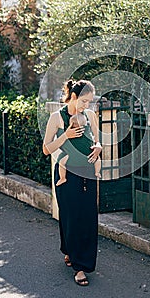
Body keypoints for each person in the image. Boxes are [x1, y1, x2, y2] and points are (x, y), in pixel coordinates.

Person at [42, 79, 102, 286]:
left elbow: (97, 139)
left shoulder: (91, 115)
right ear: (74, 97)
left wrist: (98, 147)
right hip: (66, 174)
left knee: (88, 217)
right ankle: (75, 261)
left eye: (90, 102)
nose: (87, 106)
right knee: (71, 216)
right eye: (84, 101)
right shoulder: (56, 117)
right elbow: (46, 149)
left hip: (88, 172)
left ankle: (79, 260)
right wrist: (65, 136)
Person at [56, 112, 101, 186]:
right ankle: (97, 172)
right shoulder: (87, 131)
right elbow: (92, 139)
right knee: (97, 158)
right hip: (89, 154)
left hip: (73, 156)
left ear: (72, 124)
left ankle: (62, 178)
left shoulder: (71, 133)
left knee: (61, 163)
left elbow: (63, 142)